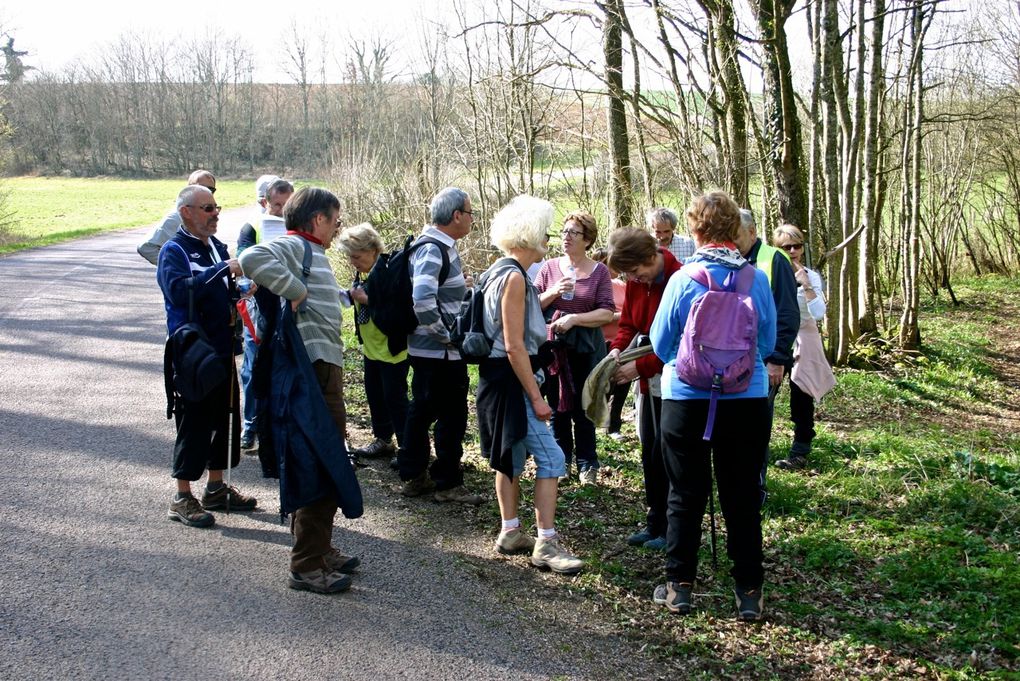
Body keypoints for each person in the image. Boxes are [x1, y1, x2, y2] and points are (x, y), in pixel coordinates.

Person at [650, 191, 776, 621]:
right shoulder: (755, 279)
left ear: (696, 230)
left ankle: (679, 587)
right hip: (746, 399)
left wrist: (694, 365)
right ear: (735, 231)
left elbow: (662, 344)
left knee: (685, 493)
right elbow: (768, 343)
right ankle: (749, 594)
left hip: (686, 400)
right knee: (741, 496)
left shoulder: (684, 279)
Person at [238, 187, 361, 594]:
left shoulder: (313, 252)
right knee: (322, 462)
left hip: (323, 371)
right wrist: (297, 291)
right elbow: (251, 258)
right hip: (313, 374)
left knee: (321, 459)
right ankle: (306, 564)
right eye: (335, 219)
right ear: (316, 220)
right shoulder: (295, 246)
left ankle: (319, 547)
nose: (337, 226)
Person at [478, 195, 584, 574]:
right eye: (544, 230)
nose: (550, 237)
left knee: (511, 458)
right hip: (515, 383)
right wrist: (538, 398)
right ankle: (546, 544)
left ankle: (510, 532)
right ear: (526, 234)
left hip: (497, 382)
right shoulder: (513, 278)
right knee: (552, 459)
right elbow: (513, 344)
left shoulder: (497, 271)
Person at [158, 184, 257, 528]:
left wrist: (243, 287)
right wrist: (223, 271)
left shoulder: (217, 247)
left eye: (216, 208)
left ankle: (216, 487)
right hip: (192, 349)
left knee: (226, 416)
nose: (215, 214)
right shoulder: (174, 250)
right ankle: (182, 496)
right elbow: (179, 290)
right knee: (195, 419)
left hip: (224, 346)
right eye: (207, 208)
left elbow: (224, 288)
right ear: (186, 212)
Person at [397, 187, 484, 505]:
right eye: (471, 212)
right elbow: (421, 299)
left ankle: (417, 475)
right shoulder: (434, 248)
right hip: (438, 351)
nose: (473, 219)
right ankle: (445, 482)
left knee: (424, 411)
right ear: (457, 215)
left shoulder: (436, 246)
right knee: (448, 416)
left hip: (433, 350)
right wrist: (445, 335)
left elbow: (434, 292)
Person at [606, 228, 683, 551]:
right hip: (647, 380)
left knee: (668, 456)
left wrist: (639, 366)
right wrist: (616, 350)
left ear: (652, 258)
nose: (636, 279)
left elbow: (676, 342)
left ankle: (673, 528)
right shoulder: (639, 281)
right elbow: (628, 324)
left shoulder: (678, 279)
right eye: (630, 276)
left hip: (675, 380)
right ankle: (655, 522)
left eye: (638, 272)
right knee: (649, 450)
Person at [535, 211, 615, 485]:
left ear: (588, 239)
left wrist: (575, 319)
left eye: (573, 233)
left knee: (584, 407)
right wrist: (553, 292)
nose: (566, 237)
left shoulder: (598, 272)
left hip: (586, 349)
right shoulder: (549, 268)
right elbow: (531, 305)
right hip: (555, 350)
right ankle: (561, 461)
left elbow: (607, 313)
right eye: (564, 232)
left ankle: (587, 464)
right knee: (557, 408)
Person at [735, 209, 800, 501]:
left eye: (735, 235)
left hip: (765, 361)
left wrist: (778, 358)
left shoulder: (775, 259)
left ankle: (755, 488)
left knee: (756, 426)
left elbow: (787, 313)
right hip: (735, 359)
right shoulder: (731, 258)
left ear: (751, 232)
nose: (731, 242)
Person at [336, 223, 410, 462]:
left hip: (392, 351)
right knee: (375, 396)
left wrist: (364, 299)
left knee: (395, 399)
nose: (353, 262)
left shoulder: (389, 271)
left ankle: (406, 447)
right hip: (371, 349)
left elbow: (396, 311)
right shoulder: (366, 272)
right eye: (350, 257)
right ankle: (383, 439)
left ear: (373, 250)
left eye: (356, 256)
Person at [235, 177, 294, 450]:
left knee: (285, 364)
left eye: (288, 204)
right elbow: (242, 260)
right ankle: (251, 426)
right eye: (277, 205)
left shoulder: (298, 225)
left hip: (290, 304)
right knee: (254, 367)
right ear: (265, 203)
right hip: (259, 307)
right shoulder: (252, 227)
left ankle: (280, 424)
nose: (282, 210)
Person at [771, 224, 832, 470]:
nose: (794, 250)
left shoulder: (812, 276)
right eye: (787, 246)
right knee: (765, 394)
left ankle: (800, 450)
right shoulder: (771, 272)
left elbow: (818, 313)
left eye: (797, 246)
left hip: (805, 336)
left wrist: (805, 284)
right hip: (777, 337)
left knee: (802, 396)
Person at [139, 170, 217, 266]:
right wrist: (175, 267)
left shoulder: (206, 213)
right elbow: (146, 247)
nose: (206, 192)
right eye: (201, 187)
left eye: (211, 190)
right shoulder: (177, 217)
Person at [591, 248, 628, 439]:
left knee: (622, 383)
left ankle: (615, 424)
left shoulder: (622, 284)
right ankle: (601, 422)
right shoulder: (596, 285)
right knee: (604, 384)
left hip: (622, 341)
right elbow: (596, 315)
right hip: (602, 341)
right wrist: (618, 316)